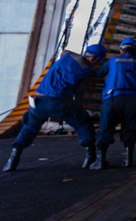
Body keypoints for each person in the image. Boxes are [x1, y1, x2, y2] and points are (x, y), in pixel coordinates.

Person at [3, 43, 107, 172]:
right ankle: (90, 157)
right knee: (83, 122)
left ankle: (13, 159)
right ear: (93, 59)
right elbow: (79, 93)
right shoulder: (86, 71)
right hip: (59, 102)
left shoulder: (66, 56)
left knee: (29, 127)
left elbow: (65, 52)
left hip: (39, 100)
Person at [92, 37, 136, 169]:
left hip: (113, 97)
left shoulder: (113, 61)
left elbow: (98, 74)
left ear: (121, 50)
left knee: (105, 127)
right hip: (134, 99)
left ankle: (100, 161)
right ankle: (128, 160)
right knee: (129, 127)